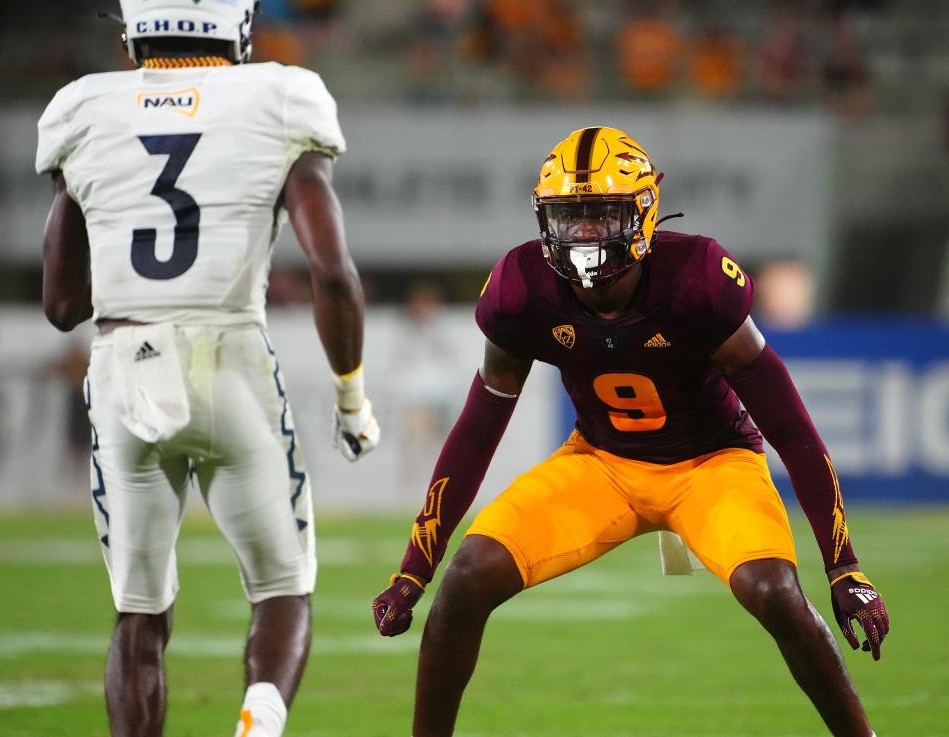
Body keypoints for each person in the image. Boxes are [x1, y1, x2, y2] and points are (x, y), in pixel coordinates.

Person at [372, 127, 889, 737]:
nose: (585, 233)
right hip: (601, 463)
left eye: (601, 214)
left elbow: (791, 429)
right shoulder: (521, 289)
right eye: (570, 216)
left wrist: (843, 566)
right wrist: (415, 568)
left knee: (773, 589)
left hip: (711, 463)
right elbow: (476, 431)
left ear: (643, 212)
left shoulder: (696, 279)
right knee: (465, 578)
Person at [36, 0, 380, 736]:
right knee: (283, 586)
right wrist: (351, 395)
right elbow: (332, 269)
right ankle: (259, 719)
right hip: (230, 357)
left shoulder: (84, 107)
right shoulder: (281, 96)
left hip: (124, 361)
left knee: (138, 613)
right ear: (242, 28)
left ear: (133, 35)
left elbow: (62, 304)